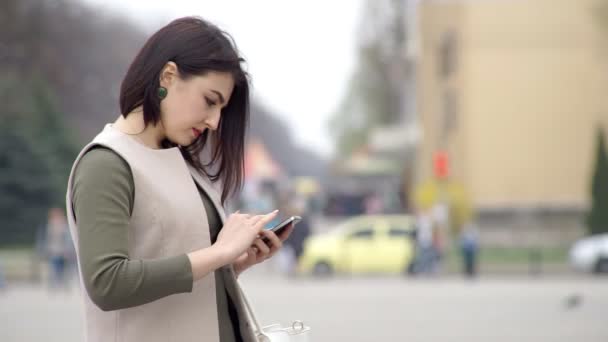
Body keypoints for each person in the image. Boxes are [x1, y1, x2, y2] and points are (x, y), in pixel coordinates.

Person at [66, 17, 293, 342]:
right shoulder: (107, 163)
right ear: (168, 76)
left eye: (222, 109)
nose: (215, 121)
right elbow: (108, 283)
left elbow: (178, 267)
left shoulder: (182, 162)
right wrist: (220, 253)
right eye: (210, 101)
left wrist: (230, 266)